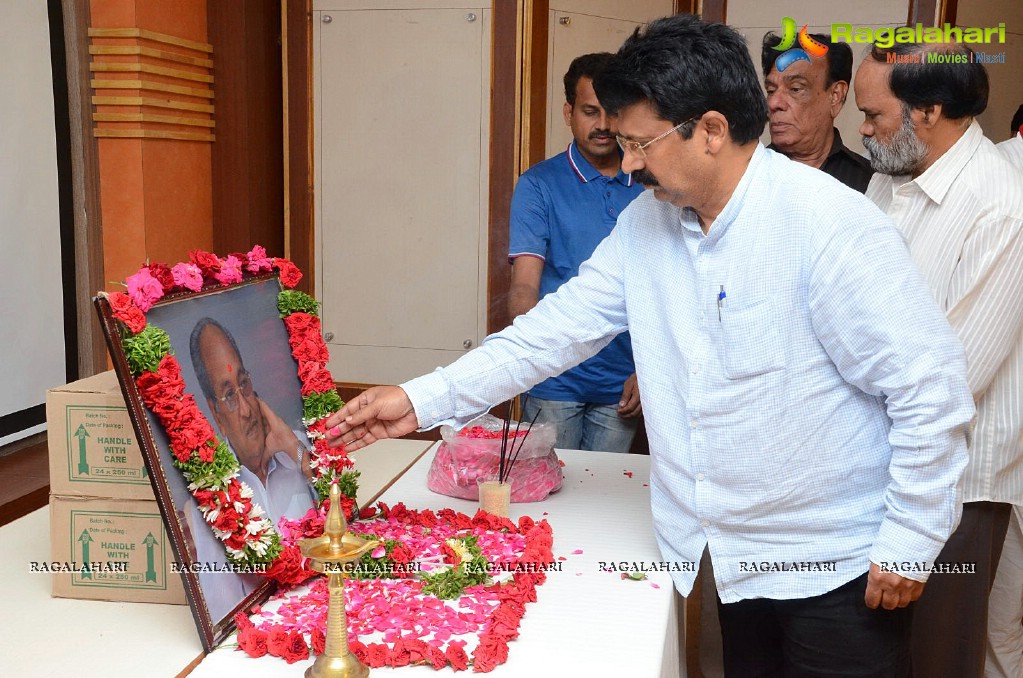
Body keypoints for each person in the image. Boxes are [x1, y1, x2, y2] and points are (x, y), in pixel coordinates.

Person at [325, 15, 974, 676]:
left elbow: (929, 390)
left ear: (712, 131)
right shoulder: (648, 223)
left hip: (837, 565)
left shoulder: (831, 227)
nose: (628, 164)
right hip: (728, 555)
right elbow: (553, 333)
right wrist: (420, 399)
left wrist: (910, 542)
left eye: (641, 144)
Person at [855, 42, 1023, 678]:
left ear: (927, 110)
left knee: (936, 657)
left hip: (956, 480)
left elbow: (955, 376)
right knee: (873, 651)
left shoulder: (1001, 205)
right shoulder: (891, 174)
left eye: (874, 115)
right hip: (873, 456)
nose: (864, 131)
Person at [508, 52, 644, 452]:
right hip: (554, 379)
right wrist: (525, 357)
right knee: (546, 499)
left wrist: (650, 369)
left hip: (622, 383)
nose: (602, 125)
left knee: (603, 501)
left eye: (611, 112)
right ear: (569, 112)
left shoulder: (650, 182)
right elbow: (524, 285)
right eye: (589, 111)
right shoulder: (538, 184)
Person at [186, 317, 318, 620]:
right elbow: (226, 614)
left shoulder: (298, 448)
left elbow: (348, 517)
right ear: (215, 413)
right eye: (229, 395)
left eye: (244, 384)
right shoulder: (210, 499)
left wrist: (294, 450)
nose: (246, 409)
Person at [986, 104, 1023, 678]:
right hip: (1003, 432)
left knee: (1000, 621)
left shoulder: (993, 173)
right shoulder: (1000, 177)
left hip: (1002, 432)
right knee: (999, 616)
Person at [761, 31, 873, 192]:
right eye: (771, 90)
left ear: (835, 96)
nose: (773, 103)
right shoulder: (747, 176)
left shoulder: (869, 183)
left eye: (795, 89)